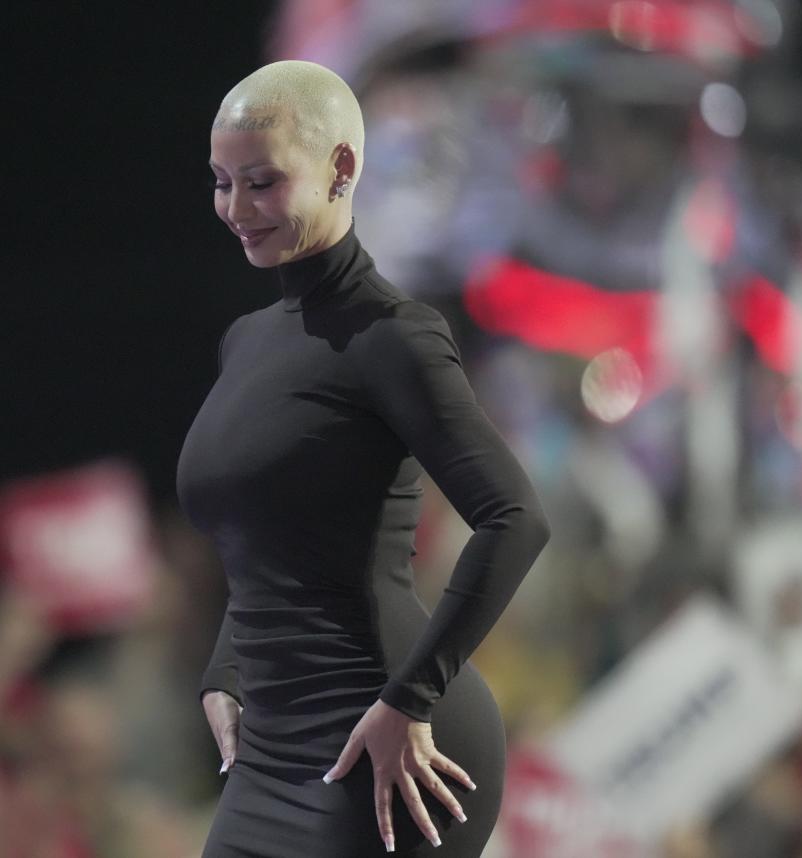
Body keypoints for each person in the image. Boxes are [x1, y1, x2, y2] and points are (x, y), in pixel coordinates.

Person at [176, 60, 551, 857]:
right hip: (271, 750)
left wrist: (410, 699)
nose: (236, 209)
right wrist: (225, 669)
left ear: (341, 168)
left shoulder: (391, 335)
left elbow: (514, 517)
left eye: (262, 182)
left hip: (389, 745)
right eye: (221, 182)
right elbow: (264, 542)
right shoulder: (246, 341)